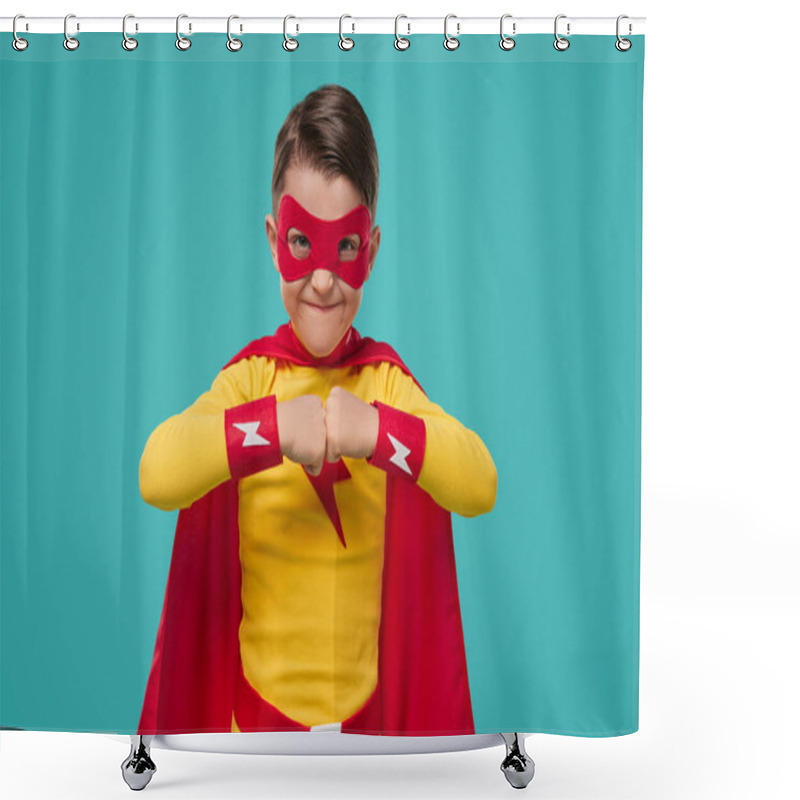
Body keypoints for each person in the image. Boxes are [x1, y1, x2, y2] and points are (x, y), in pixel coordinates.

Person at [136, 84, 497, 737]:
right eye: (304, 244)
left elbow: (479, 482)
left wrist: (380, 432)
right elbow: (157, 471)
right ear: (274, 237)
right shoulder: (251, 380)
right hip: (253, 731)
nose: (324, 281)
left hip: (369, 733)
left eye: (346, 248)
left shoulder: (385, 385)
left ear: (374, 250)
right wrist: (269, 430)